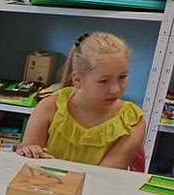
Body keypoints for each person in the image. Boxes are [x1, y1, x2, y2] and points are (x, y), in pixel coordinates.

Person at [18, 32, 146, 170]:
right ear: (77, 79)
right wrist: (29, 152)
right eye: (103, 81)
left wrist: (55, 168)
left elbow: (105, 176)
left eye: (122, 77)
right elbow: (28, 164)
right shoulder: (50, 107)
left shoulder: (132, 122)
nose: (115, 89)